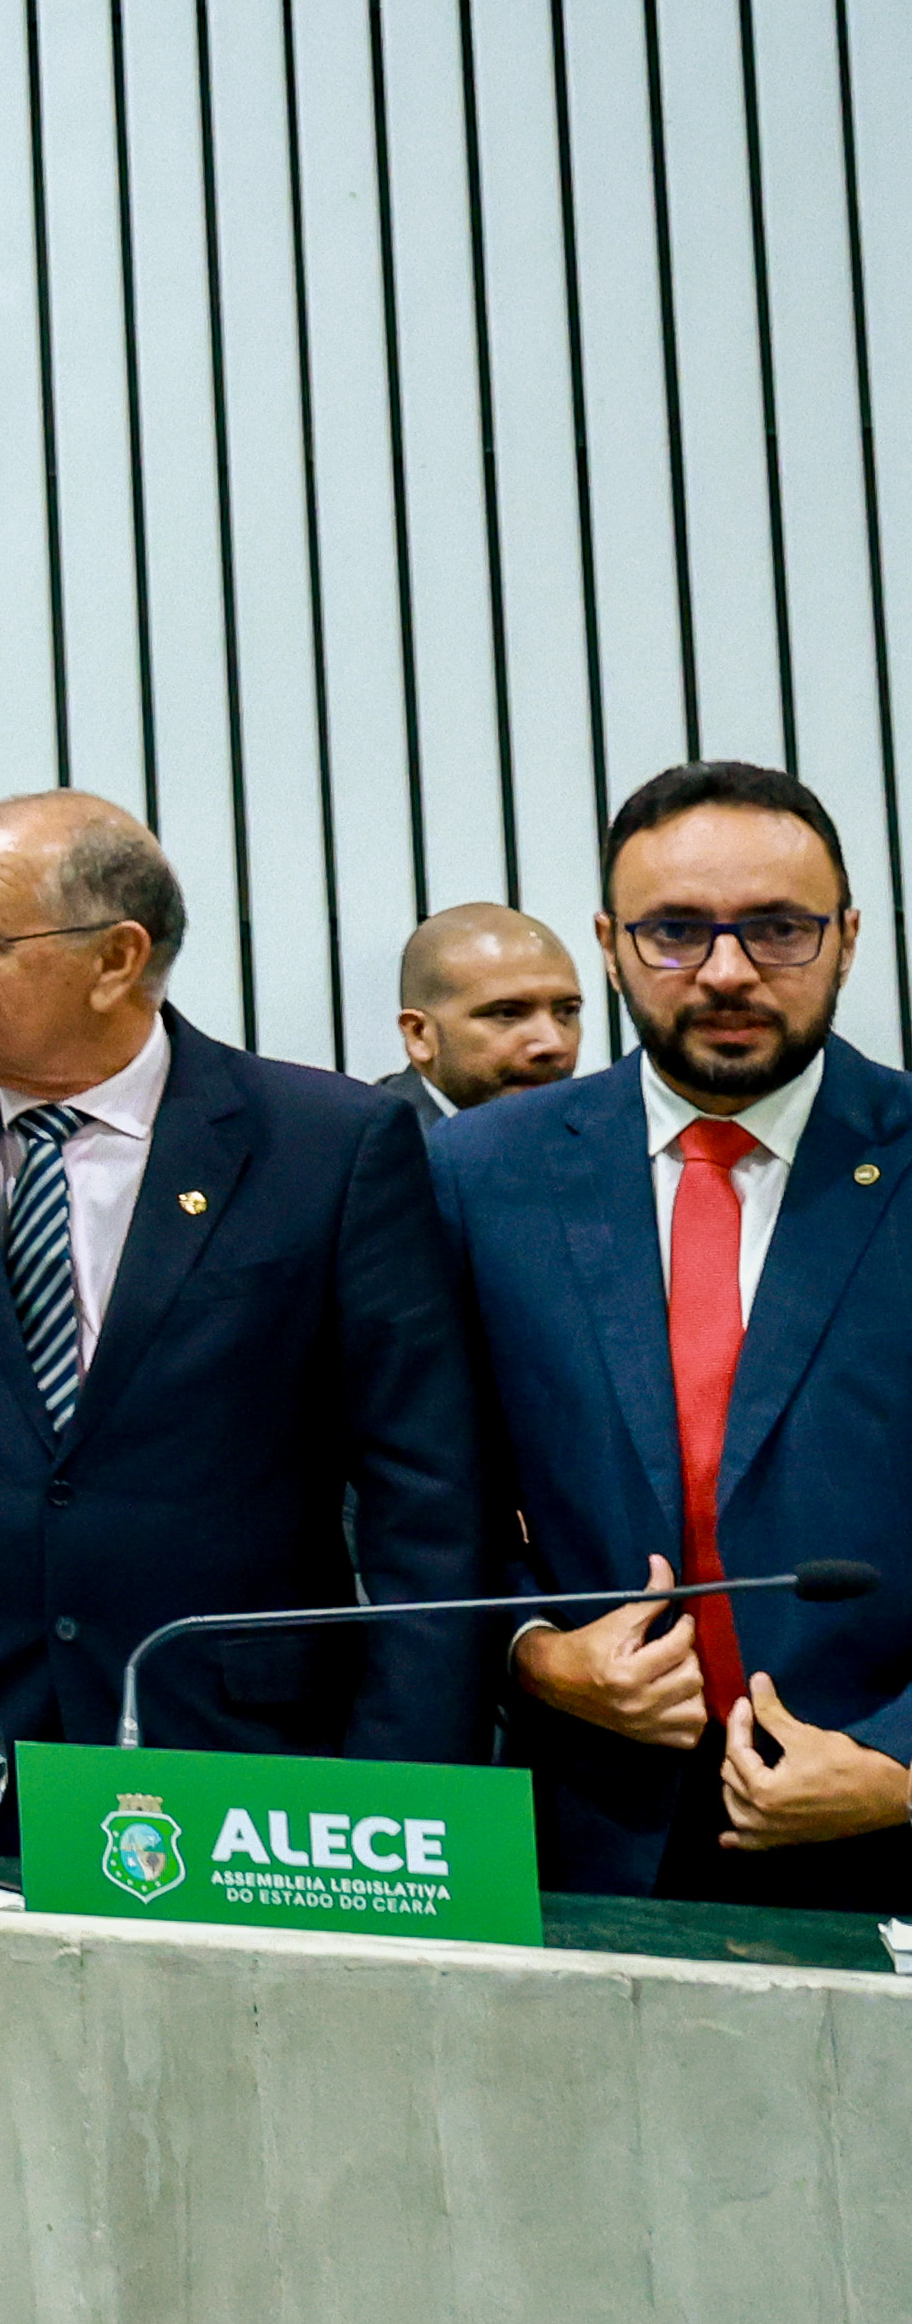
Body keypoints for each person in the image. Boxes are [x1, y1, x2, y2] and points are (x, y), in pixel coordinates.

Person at [0, 792, 489, 1833]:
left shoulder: (328, 1144)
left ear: (115, 958)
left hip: (248, 1761)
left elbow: (426, 1493)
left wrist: (406, 1784)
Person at [435, 761, 912, 1904]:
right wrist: (532, 1652)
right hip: (588, 1844)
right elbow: (404, 1490)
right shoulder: (473, 1174)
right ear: (608, 943)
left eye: (779, 929)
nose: (729, 971)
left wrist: (902, 1762)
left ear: (848, 937)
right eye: (675, 932)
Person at [379, 902, 586, 1125]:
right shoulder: (371, 1152)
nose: (554, 1043)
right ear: (419, 1035)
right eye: (507, 1014)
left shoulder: (598, 1135)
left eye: (567, 1011)